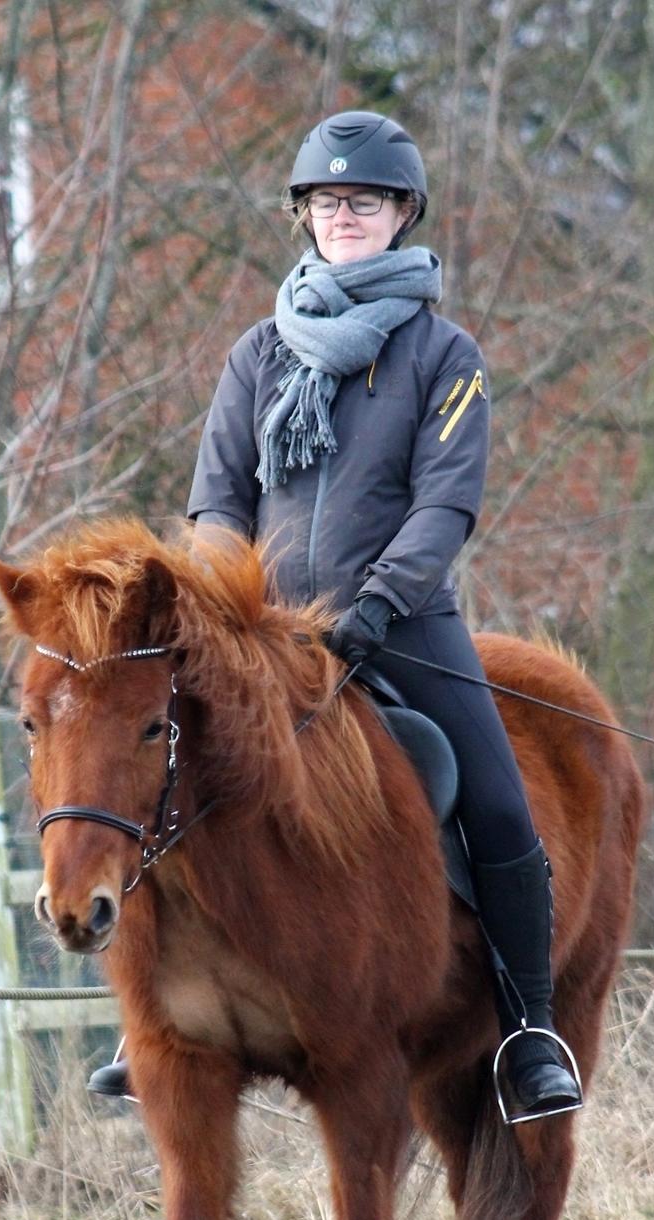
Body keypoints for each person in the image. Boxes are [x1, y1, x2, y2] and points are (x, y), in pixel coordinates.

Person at [90, 110, 581, 1124]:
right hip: (262, 635)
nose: (342, 216)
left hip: (397, 620)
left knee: (497, 802)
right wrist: (226, 610)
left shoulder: (445, 356)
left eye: (361, 201)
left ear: (401, 213)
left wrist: (373, 605)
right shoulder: (257, 356)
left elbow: (444, 504)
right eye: (324, 201)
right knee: (151, 772)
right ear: (302, 217)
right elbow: (215, 500)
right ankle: (152, 1015)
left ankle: (529, 1030)